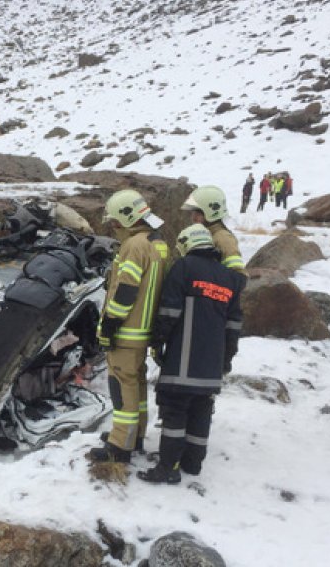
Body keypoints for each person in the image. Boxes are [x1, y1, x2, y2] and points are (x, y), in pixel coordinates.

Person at [136, 224, 245, 484]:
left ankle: (168, 467)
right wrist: (226, 358)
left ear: (186, 245)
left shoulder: (184, 267)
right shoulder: (229, 277)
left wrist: (158, 341)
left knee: (175, 410)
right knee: (201, 409)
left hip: (183, 358)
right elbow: (234, 323)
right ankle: (193, 463)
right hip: (211, 363)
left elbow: (169, 311)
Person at [87, 190, 170, 463]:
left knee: (121, 388)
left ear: (127, 219)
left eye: (114, 221)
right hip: (142, 333)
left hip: (126, 333)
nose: (112, 227)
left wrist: (109, 325)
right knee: (136, 387)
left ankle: (119, 447)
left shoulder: (134, 246)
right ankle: (133, 437)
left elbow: (125, 292)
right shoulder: (157, 244)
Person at [181, 185, 247, 275]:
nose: (193, 217)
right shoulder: (201, 235)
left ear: (211, 213)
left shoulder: (223, 238)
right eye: (193, 213)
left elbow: (237, 275)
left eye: (198, 213)